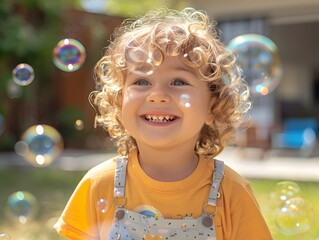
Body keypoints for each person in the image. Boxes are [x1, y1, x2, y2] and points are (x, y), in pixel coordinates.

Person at [54, 7, 272, 240]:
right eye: (142, 81)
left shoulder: (231, 194)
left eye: (178, 81)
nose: (157, 95)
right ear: (119, 102)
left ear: (212, 106)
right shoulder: (98, 184)